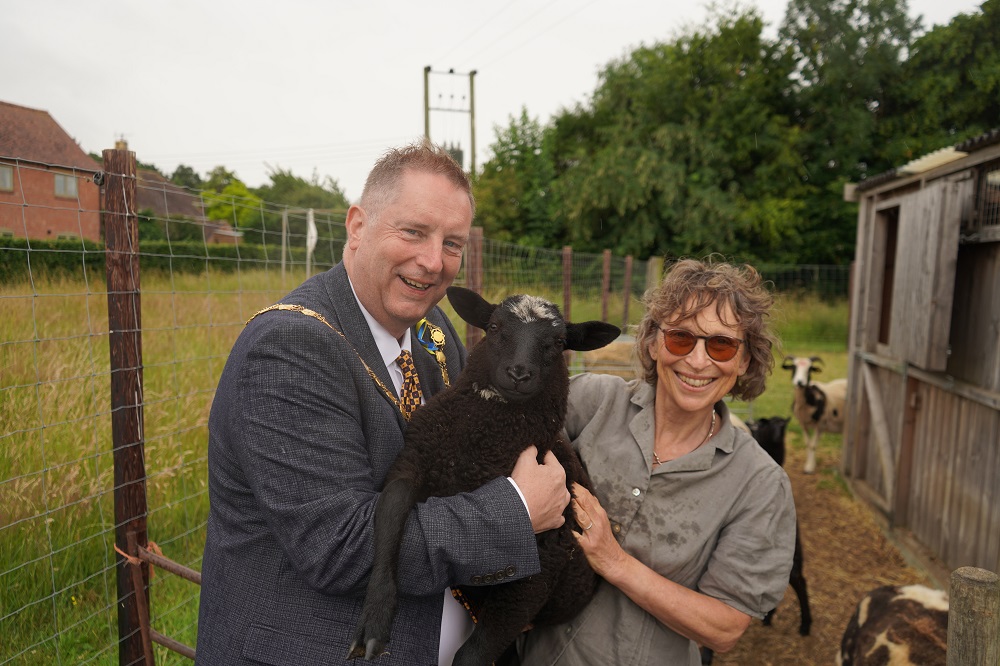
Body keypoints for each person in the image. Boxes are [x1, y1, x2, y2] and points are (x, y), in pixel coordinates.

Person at [196, 141, 571, 666]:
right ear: (356, 226)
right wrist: (517, 510)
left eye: (453, 243)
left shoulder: (433, 330)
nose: (433, 262)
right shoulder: (291, 349)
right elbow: (341, 549)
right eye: (413, 231)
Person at [519, 258, 798, 665]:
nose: (698, 361)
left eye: (721, 344)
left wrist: (614, 561)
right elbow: (502, 439)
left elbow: (724, 628)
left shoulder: (758, 483)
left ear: (743, 362)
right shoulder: (591, 402)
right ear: (652, 343)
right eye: (681, 338)